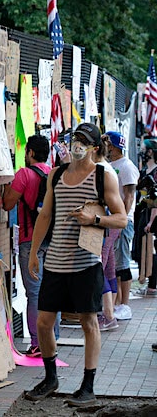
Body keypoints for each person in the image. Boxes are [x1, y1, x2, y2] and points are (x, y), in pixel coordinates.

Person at [25, 122, 127, 407]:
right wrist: (34, 252)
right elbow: (45, 215)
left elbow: (121, 218)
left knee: (89, 322)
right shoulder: (56, 175)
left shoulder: (103, 176)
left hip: (86, 263)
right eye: (74, 139)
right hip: (55, 260)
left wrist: (94, 219)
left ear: (94, 147)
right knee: (44, 322)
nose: (77, 144)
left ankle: (88, 386)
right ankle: (50, 377)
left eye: (83, 140)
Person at [3, 135, 59, 356]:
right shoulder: (53, 173)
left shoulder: (24, 174)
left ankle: (38, 343)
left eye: (26, 151)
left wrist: (7, 186)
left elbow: (8, 204)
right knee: (52, 292)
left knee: (34, 293)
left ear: (31, 153)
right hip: (53, 240)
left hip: (30, 241)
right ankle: (53, 339)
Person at [104, 131, 140, 320]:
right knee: (114, 264)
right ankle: (117, 303)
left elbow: (129, 195)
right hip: (112, 221)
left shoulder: (126, 166)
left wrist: (122, 219)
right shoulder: (111, 165)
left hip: (122, 222)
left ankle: (125, 304)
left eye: (108, 144)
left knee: (122, 262)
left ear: (114, 146)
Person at [92, 136, 121, 331]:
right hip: (110, 224)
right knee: (108, 267)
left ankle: (108, 315)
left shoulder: (100, 170)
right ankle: (110, 313)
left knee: (98, 267)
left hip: (105, 224)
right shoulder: (106, 167)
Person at [133, 137, 157, 297]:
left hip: (152, 214)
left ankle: (152, 285)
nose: (142, 152)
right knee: (141, 248)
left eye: (144, 149)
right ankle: (148, 281)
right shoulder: (144, 170)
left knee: (152, 250)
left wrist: (152, 221)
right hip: (142, 212)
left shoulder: (156, 172)